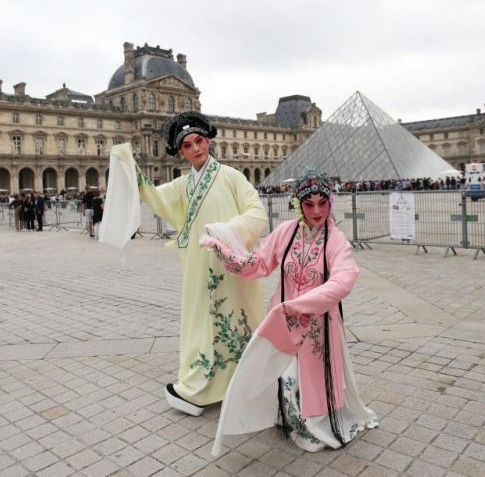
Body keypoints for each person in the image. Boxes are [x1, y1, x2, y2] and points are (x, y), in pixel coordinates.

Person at [104, 111, 267, 416]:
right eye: (189, 145)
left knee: (231, 319)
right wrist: (128, 167)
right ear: (181, 152)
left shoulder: (231, 177)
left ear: (208, 141)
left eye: (200, 140)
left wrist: (226, 232)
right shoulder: (183, 185)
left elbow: (257, 213)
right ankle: (201, 381)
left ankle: (240, 382)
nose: (196, 148)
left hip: (227, 265)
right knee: (199, 321)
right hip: (196, 268)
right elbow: (153, 196)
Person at [205, 166, 377, 455]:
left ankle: (315, 421)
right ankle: (292, 420)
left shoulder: (336, 240)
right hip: (283, 321)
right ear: (298, 204)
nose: (317, 210)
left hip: (316, 326)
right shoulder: (285, 232)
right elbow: (258, 264)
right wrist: (223, 249)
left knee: (304, 378)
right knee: (283, 377)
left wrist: (301, 304)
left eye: (323, 203)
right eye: (309, 204)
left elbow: (343, 279)